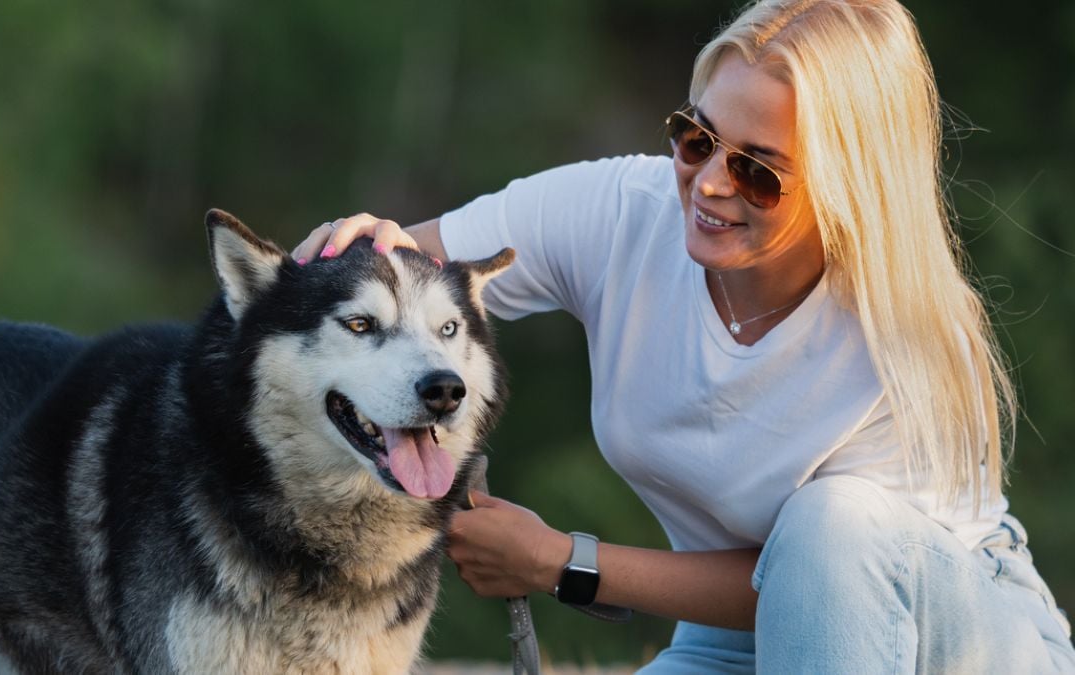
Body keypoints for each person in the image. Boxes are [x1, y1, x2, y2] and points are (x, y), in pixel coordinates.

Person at [292, 0, 1075, 670]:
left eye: (758, 172)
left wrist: (564, 562)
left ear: (849, 187)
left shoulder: (901, 342)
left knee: (831, 523)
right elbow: (421, 267)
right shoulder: (621, 212)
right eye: (696, 137)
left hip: (954, 640)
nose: (707, 184)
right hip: (737, 644)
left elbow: (820, 577)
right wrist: (370, 251)